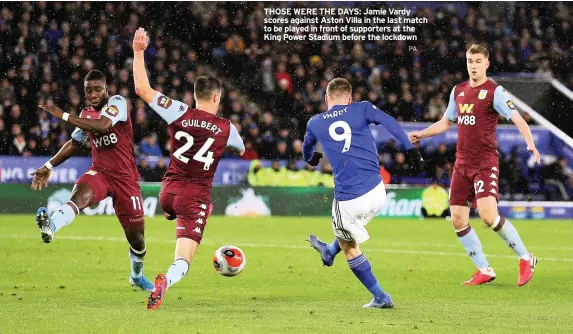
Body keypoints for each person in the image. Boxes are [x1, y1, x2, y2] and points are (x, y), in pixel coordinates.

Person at [408, 44, 541, 286]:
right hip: (462, 163)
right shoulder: (458, 91)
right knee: (458, 219)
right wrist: (422, 134)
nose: (473, 65)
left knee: (489, 216)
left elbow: (518, 118)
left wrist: (530, 143)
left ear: (487, 63)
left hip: (485, 163)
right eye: (470, 61)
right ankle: (484, 269)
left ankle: (525, 257)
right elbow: (446, 122)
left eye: (478, 61)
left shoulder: (495, 92)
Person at [132, 28, 245, 310]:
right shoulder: (226, 128)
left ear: (195, 96)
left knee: (174, 211)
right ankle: (165, 282)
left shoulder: (178, 110)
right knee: (183, 260)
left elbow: (142, 90)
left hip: (167, 192)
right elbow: (240, 149)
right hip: (194, 198)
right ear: (217, 98)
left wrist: (138, 51)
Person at [303, 78, 424, 309]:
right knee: (347, 232)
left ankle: (380, 297)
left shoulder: (315, 122)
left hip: (349, 199)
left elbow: (306, 152)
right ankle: (328, 252)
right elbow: (390, 122)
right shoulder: (363, 108)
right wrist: (410, 151)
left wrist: (312, 158)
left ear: (327, 99)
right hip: (377, 192)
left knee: (349, 246)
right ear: (350, 99)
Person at [31, 69, 153, 292]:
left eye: (98, 89)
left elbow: (104, 125)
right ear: (85, 92)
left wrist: (64, 116)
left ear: (106, 89)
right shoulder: (85, 114)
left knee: (137, 240)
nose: (94, 93)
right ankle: (52, 226)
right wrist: (48, 166)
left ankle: (136, 275)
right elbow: (74, 143)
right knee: (79, 196)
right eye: (89, 90)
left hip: (126, 181)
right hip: (101, 173)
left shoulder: (117, 103)